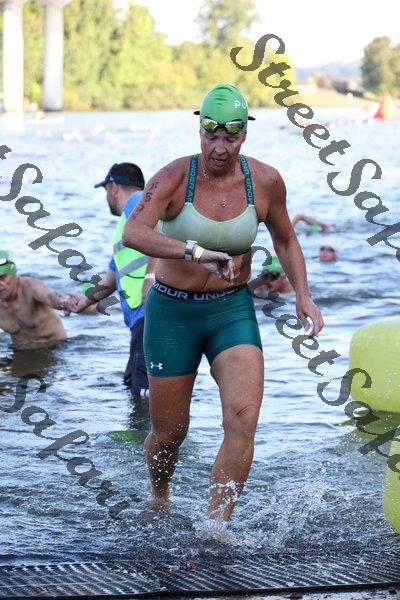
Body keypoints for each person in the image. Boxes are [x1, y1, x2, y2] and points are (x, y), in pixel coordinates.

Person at [122, 83, 324, 523]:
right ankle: (159, 496)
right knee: (170, 433)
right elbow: (134, 233)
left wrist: (303, 296)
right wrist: (194, 251)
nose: (219, 148)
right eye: (210, 136)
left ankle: (217, 525)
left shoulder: (265, 181)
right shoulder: (174, 177)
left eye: (229, 138)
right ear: (200, 132)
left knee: (244, 418)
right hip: (172, 311)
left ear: (243, 135)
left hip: (231, 308)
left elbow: (286, 239)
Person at [67, 163, 155, 399]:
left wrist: (150, 278)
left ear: (113, 187)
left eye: (106, 191)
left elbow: (162, 231)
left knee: (144, 396)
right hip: (140, 321)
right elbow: (109, 282)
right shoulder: (126, 229)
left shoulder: (138, 201)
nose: (107, 197)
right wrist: (83, 301)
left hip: (149, 316)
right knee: (134, 389)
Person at [0, 250, 69, 350]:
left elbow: (49, 296)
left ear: (13, 274)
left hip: (55, 348)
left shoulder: (30, 287)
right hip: (20, 351)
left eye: (2, 277)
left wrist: (64, 303)